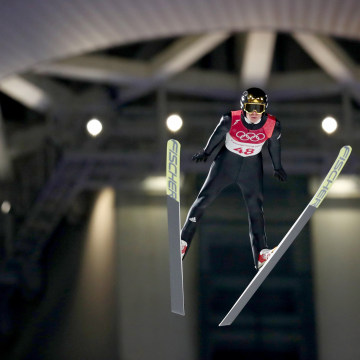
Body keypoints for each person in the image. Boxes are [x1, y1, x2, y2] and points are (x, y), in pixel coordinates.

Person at [180, 87, 287, 270]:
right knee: (204, 199)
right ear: (244, 106)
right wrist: (206, 152)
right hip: (226, 163)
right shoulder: (230, 119)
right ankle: (183, 242)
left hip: (251, 167)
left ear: (265, 108)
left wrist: (277, 166)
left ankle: (261, 254)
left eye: (259, 108)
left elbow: (274, 146)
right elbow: (218, 136)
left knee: (255, 208)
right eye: (251, 107)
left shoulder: (272, 124)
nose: (254, 113)